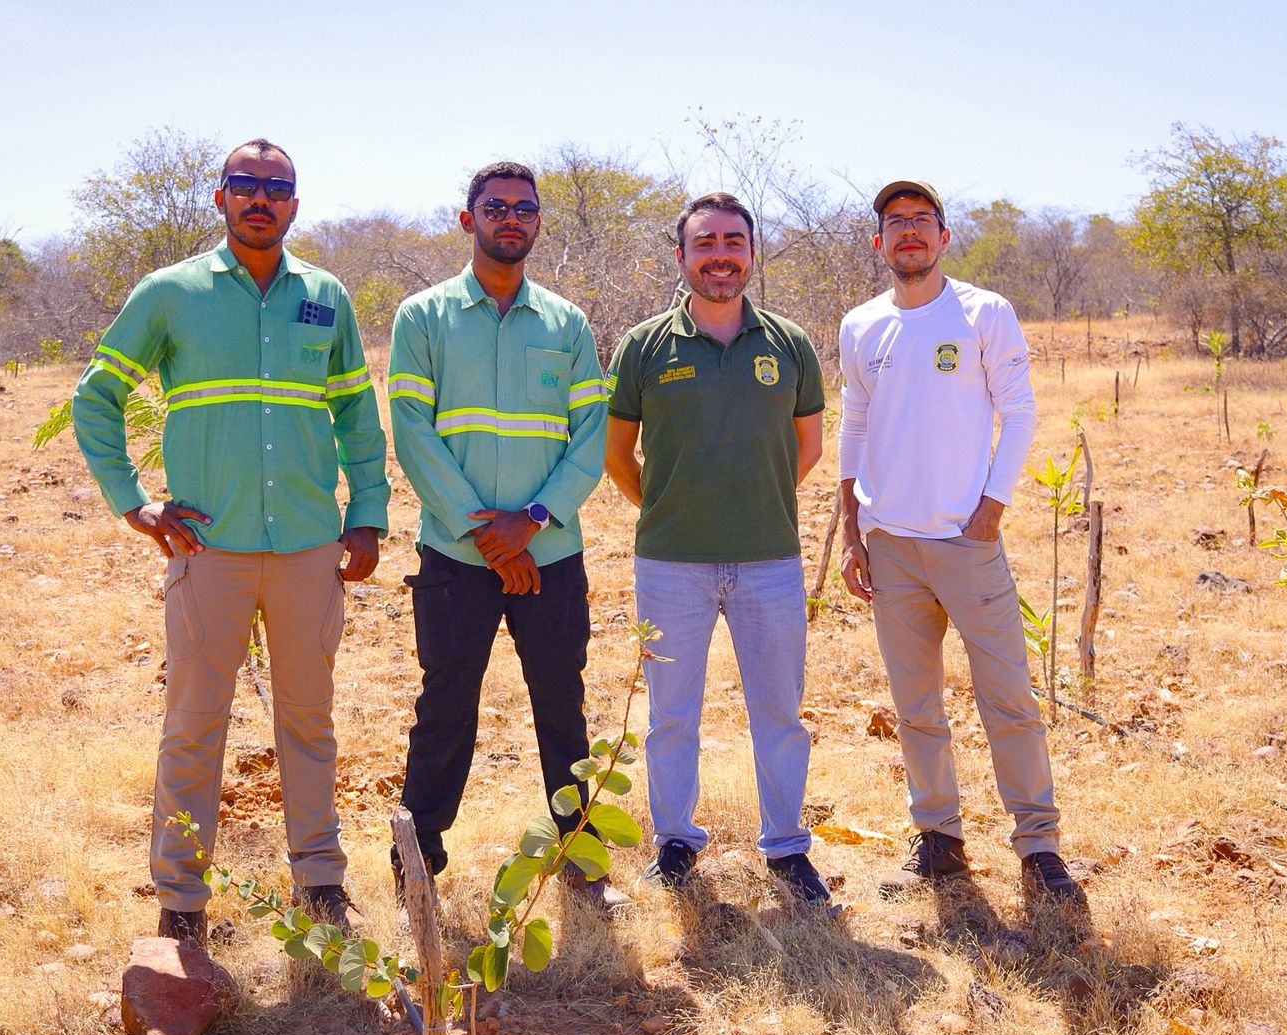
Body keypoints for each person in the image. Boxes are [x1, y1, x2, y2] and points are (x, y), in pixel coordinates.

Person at [71, 138, 389, 943]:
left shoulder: (325, 295)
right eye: (244, 185)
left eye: (276, 188)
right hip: (206, 550)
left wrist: (369, 513)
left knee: (309, 721)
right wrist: (134, 505)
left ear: (294, 203)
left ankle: (320, 882)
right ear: (219, 199)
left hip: (311, 545)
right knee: (194, 723)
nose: (260, 198)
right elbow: (97, 396)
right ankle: (180, 899)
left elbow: (355, 414)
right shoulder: (170, 293)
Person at [388, 162, 627, 910]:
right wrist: (485, 534)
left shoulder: (567, 324)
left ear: (538, 222)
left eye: (525, 208)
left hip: (550, 552)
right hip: (456, 557)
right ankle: (416, 862)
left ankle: (582, 861)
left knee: (562, 705)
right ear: (468, 220)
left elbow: (590, 437)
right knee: (446, 705)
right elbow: (415, 434)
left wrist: (532, 524)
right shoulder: (422, 318)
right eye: (495, 207)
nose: (511, 218)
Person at [838, 179, 1084, 903]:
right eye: (894, 222)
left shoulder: (983, 312)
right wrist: (853, 529)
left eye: (922, 221)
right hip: (891, 543)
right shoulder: (861, 326)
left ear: (945, 238)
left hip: (966, 541)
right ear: (878, 242)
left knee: (1007, 697)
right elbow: (855, 424)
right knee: (916, 706)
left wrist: (992, 508)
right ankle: (939, 837)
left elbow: (1020, 410)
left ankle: (1039, 845)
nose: (907, 232)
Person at [605, 192, 830, 906]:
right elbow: (618, 457)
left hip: (770, 560)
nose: (720, 254)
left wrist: (751, 501)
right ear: (682, 256)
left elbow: (810, 443)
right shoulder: (643, 346)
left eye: (734, 240)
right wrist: (675, 508)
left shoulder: (789, 343)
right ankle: (675, 842)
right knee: (672, 713)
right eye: (705, 243)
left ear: (752, 253)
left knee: (780, 712)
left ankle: (787, 848)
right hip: (671, 564)